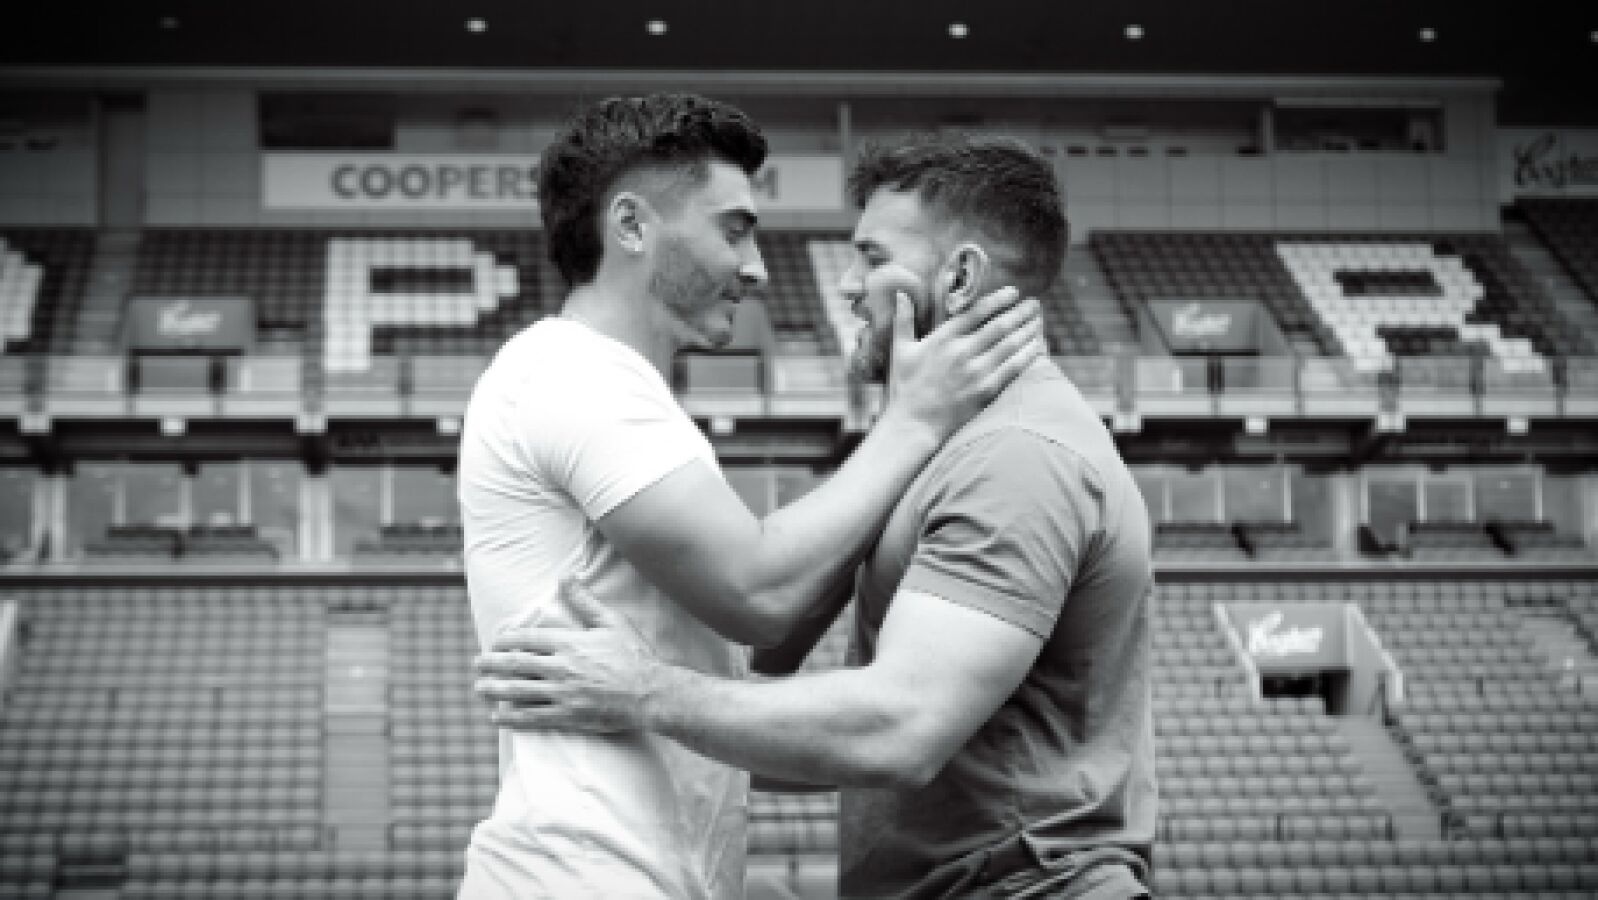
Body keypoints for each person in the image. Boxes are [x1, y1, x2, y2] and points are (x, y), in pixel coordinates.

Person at [476, 132, 1158, 900]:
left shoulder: (1017, 456)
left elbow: (900, 728)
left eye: (871, 258)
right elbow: (818, 709)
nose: (847, 286)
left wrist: (648, 693)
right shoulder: (937, 440)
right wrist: (656, 720)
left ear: (962, 276)